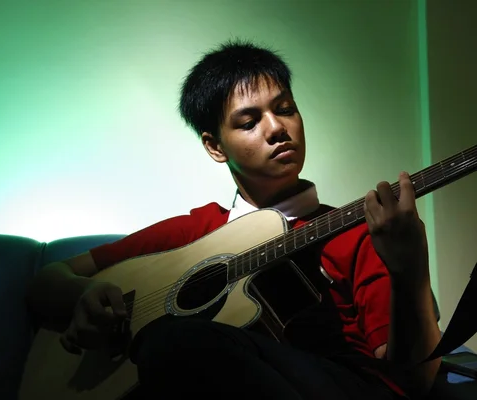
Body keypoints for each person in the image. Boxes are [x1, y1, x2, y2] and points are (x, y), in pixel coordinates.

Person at [26, 40, 441, 399]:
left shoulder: (360, 231)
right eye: (249, 121)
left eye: (286, 109)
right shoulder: (196, 232)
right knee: (173, 344)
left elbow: (414, 381)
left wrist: (411, 272)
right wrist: (83, 296)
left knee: (175, 342)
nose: (277, 128)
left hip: (339, 386)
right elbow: (49, 278)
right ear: (215, 146)